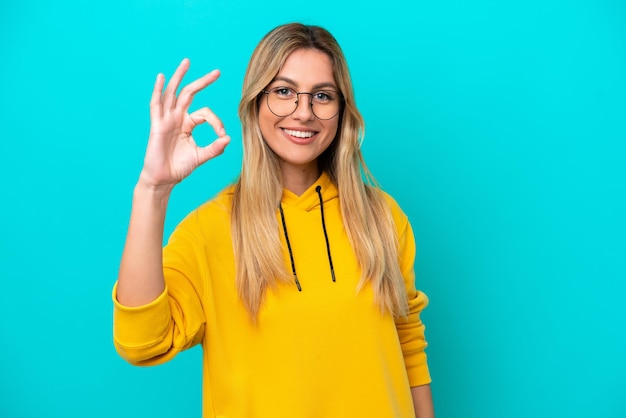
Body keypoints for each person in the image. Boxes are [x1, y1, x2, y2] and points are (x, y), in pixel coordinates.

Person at [113, 22, 434, 417]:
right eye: (284, 92)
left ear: (342, 110)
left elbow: (408, 347)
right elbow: (141, 341)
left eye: (322, 95)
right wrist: (152, 190)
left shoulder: (382, 217)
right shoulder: (211, 229)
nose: (304, 113)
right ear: (255, 102)